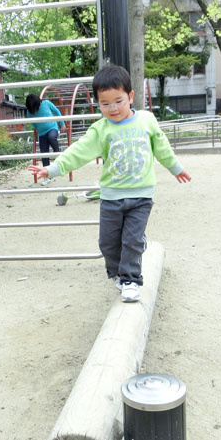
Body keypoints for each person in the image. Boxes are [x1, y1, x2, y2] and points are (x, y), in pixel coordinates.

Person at [27, 65, 191, 303]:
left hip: (141, 196)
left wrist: (176, 168)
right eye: (105, 104)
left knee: (131, 241)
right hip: (112, 198)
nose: (112, 108)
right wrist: (52, 169)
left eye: (119, 101)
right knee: (107, 243)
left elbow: (162, 148)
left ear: (131, 97)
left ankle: (131, 280)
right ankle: (116, 273)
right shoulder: (101, 129)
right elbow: (78, 152)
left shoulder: (146, 121)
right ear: (98, 103)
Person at [25, 93, 65, 185]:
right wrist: (36, 130)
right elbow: (33, 123)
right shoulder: (29, 112)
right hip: (42, 133)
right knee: (44, 153)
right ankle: (47, 176)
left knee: (51, 137)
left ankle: (57, 153)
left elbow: (57, 111)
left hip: (52, 128)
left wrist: (62, 123)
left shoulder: (46, 103)